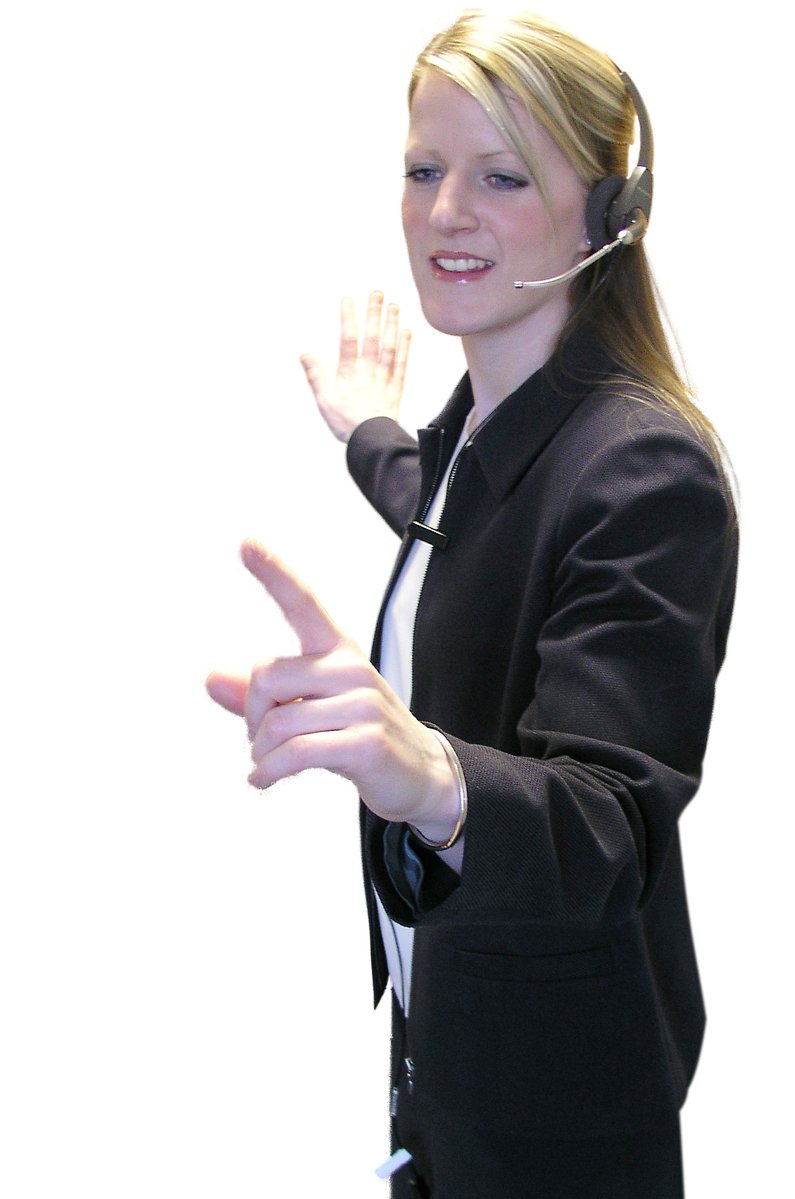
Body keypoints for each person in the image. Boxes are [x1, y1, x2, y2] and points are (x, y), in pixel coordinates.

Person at [207, 10, 737, 1197]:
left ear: (612, 215)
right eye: (423, 168)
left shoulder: (645, 471)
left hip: (561, 1104)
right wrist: (371, 434)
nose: (447, 211)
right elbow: (460, 522)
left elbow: (611, 826)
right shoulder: (488, 426)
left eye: (502, 175)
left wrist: (430, 776)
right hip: (448, 1039)